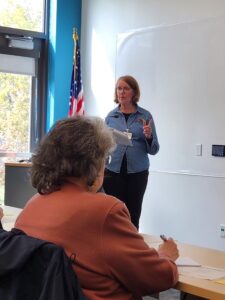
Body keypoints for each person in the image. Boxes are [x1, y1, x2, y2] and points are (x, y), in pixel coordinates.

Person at [14, 116, 178, 300]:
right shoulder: (105, 211)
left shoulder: (32, 206)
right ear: (93, 162)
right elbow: (157, 278)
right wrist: (166, 256)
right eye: (105, 159)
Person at [103, 75, 159, 229]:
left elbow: (154, 149)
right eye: (119, 88)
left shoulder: (145, 116)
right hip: (113, 172)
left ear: (134, 92)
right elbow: (103, 146)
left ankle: (132, 250)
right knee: (113, 214)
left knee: (133, 214)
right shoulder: (110, 117)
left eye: (126, 88)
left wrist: (148, 136)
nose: (121, 92)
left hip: (137, 174)